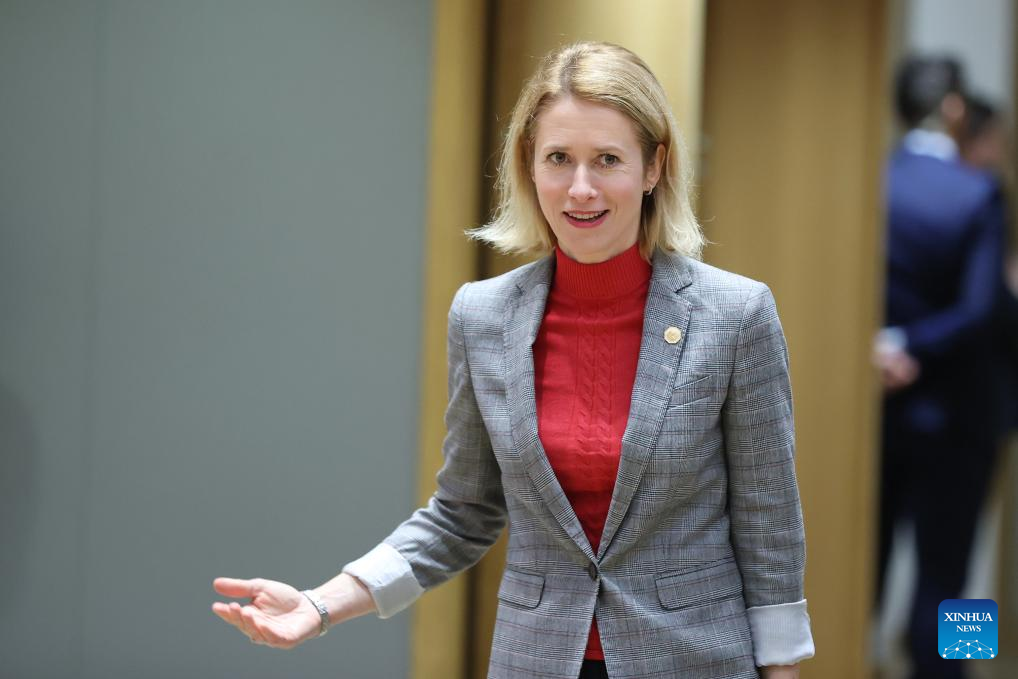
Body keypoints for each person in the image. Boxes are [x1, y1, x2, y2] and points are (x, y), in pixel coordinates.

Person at [213, 42, 815, 679]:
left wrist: (781, 668)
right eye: (558, 159)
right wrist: (320, 605)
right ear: (529, 165)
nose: (580, 188)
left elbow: (768, 521)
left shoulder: (735, 314)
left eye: (607, 160)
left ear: (653, 167)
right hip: (535, 660)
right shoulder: (482, 316)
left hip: (693, 659)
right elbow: (462, 513)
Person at [874, 57, 1006, 679]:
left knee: (862, 560)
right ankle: (951, 671)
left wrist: (881, 346)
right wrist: (914, 344)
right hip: (959, 414)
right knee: (952, 572)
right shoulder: (978, 192)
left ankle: (853, 657)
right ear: (954, 108)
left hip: (873, 407)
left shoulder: (872, 179)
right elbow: (979, 311)